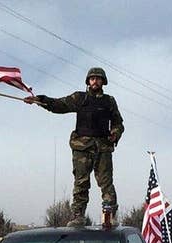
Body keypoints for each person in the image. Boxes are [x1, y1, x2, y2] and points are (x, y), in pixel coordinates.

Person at [23, 67, 124, 227]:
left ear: (103, 81)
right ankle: (78, 216)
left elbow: (118, 123)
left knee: (106, 183)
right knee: (81, 182)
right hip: (82, 147)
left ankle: (109, 215)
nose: (95, 81)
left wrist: (115, 133)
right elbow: (59, 104)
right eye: (92, 78)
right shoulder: (79, 98)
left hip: (103, 147)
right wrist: (39, 100)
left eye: (98, 79)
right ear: (88, 81)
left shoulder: (109, 101)